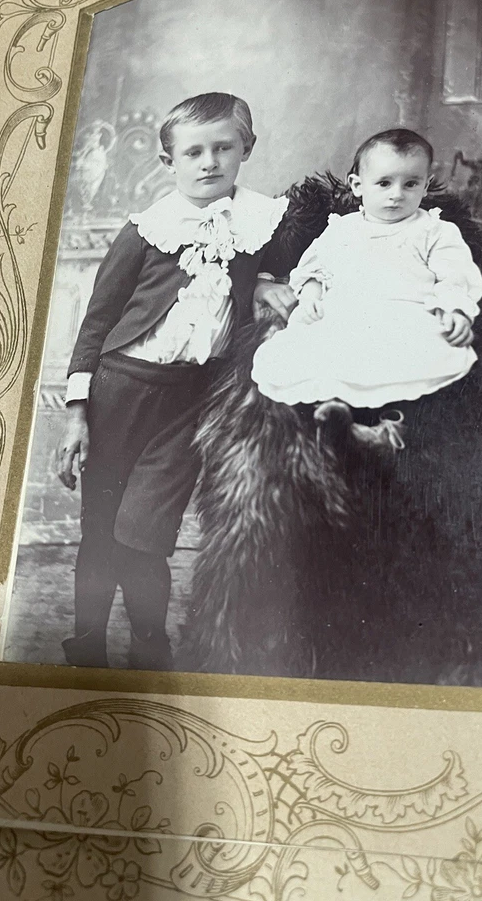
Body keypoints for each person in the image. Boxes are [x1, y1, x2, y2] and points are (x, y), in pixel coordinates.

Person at [55, 92, 295, 670]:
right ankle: (86, 647)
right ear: (169, 162)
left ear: (246, 149)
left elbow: (280, 271)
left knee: (145, 534)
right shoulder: (147, 231)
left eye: (223, 148)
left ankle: (149, 647)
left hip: (191, 402)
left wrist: (266, 280)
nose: (210, 162)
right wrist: (77, 413)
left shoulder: (262, 221)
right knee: (100, 530)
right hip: (119, 390)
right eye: (193, 152)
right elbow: (97, 323)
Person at [251, 128, 482, 448]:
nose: (397, 194)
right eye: (384, 183)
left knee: (410, 363)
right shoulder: (341, 230)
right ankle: (337, 416)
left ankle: (387, 426)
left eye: (411, 184)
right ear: (358, 186)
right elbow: (315, 269)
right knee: (316, 357)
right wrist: (313, 295)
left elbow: (455, 275)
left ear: (426, 186)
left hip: (407, 315)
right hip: (346, 314)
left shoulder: (434, 230)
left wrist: (456, 311)